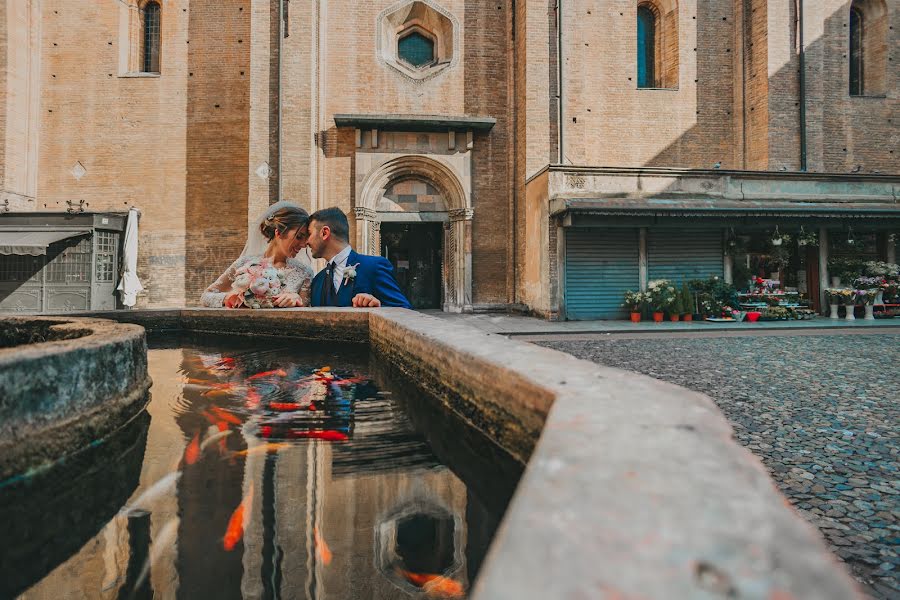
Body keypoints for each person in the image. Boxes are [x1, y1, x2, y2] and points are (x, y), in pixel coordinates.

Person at [201, 202, 314, 308]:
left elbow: (305, 310)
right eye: (299, 237)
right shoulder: (244, 263)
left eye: (306, 239)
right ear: (278, 232)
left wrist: (297, 298)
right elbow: (206, 296)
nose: (304, 245)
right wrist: (231, 297)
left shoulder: (305, 273)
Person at [306, 207, 411, 308]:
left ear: (325, 233)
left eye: (309, 234)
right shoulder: (317, 281)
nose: (307, 242)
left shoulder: (374, 267)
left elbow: (404, 310)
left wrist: (377, 307)